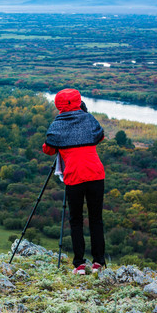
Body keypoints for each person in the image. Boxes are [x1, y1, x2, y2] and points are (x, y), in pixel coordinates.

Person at [42, 88, 106, 275]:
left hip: (74, 177)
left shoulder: (57, 125)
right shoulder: (88, 119)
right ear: (79, 102)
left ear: (59, 104)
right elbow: (99, 136)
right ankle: (98, 263)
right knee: (96, 220)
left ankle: (79, 264)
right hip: (96, 174)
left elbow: (49, 149)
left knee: (76, 220)